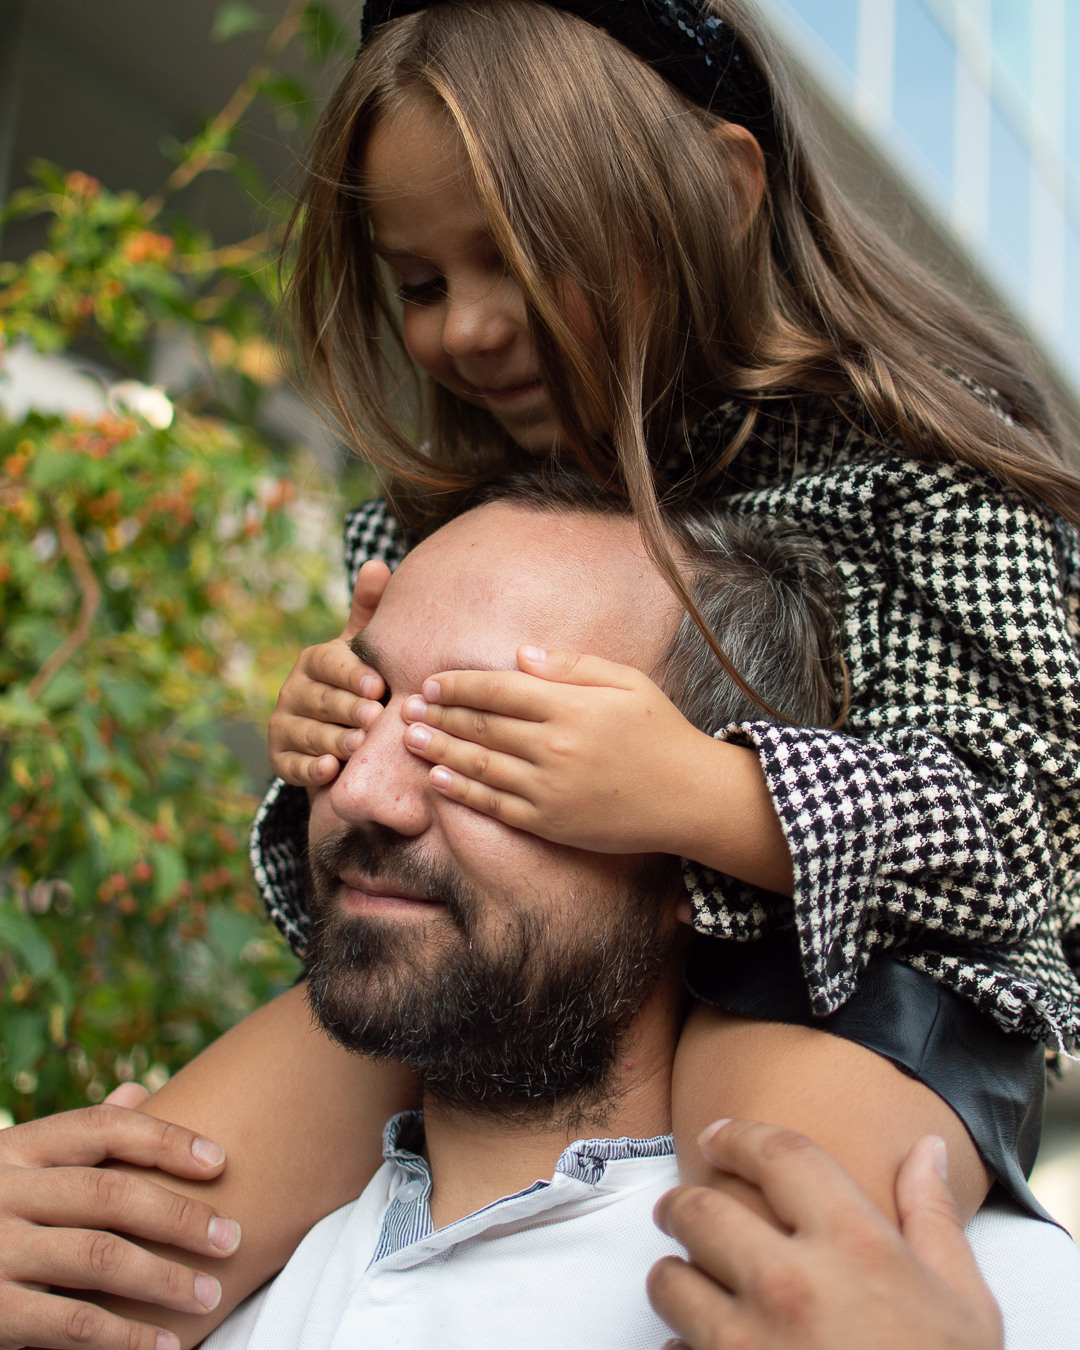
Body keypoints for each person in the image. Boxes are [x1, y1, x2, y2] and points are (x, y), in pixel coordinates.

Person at [8, 0, 1080, 1340]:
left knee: (779, 1253)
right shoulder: (448, 501)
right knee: (130, 1218)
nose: (464, 330)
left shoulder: (919, 471)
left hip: (867, 984)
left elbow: (1029, 838)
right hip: (525, 976)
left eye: (521, 256)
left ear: (723, 188)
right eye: (422, 283)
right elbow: (362, 881)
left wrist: (698, 793)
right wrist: (328, 737)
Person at [133, 492, 1080, 1346]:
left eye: (486, 741)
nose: (369, 792)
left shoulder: (959, 1310)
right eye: (362, 707)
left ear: (701, 862)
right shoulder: (138, 1290)